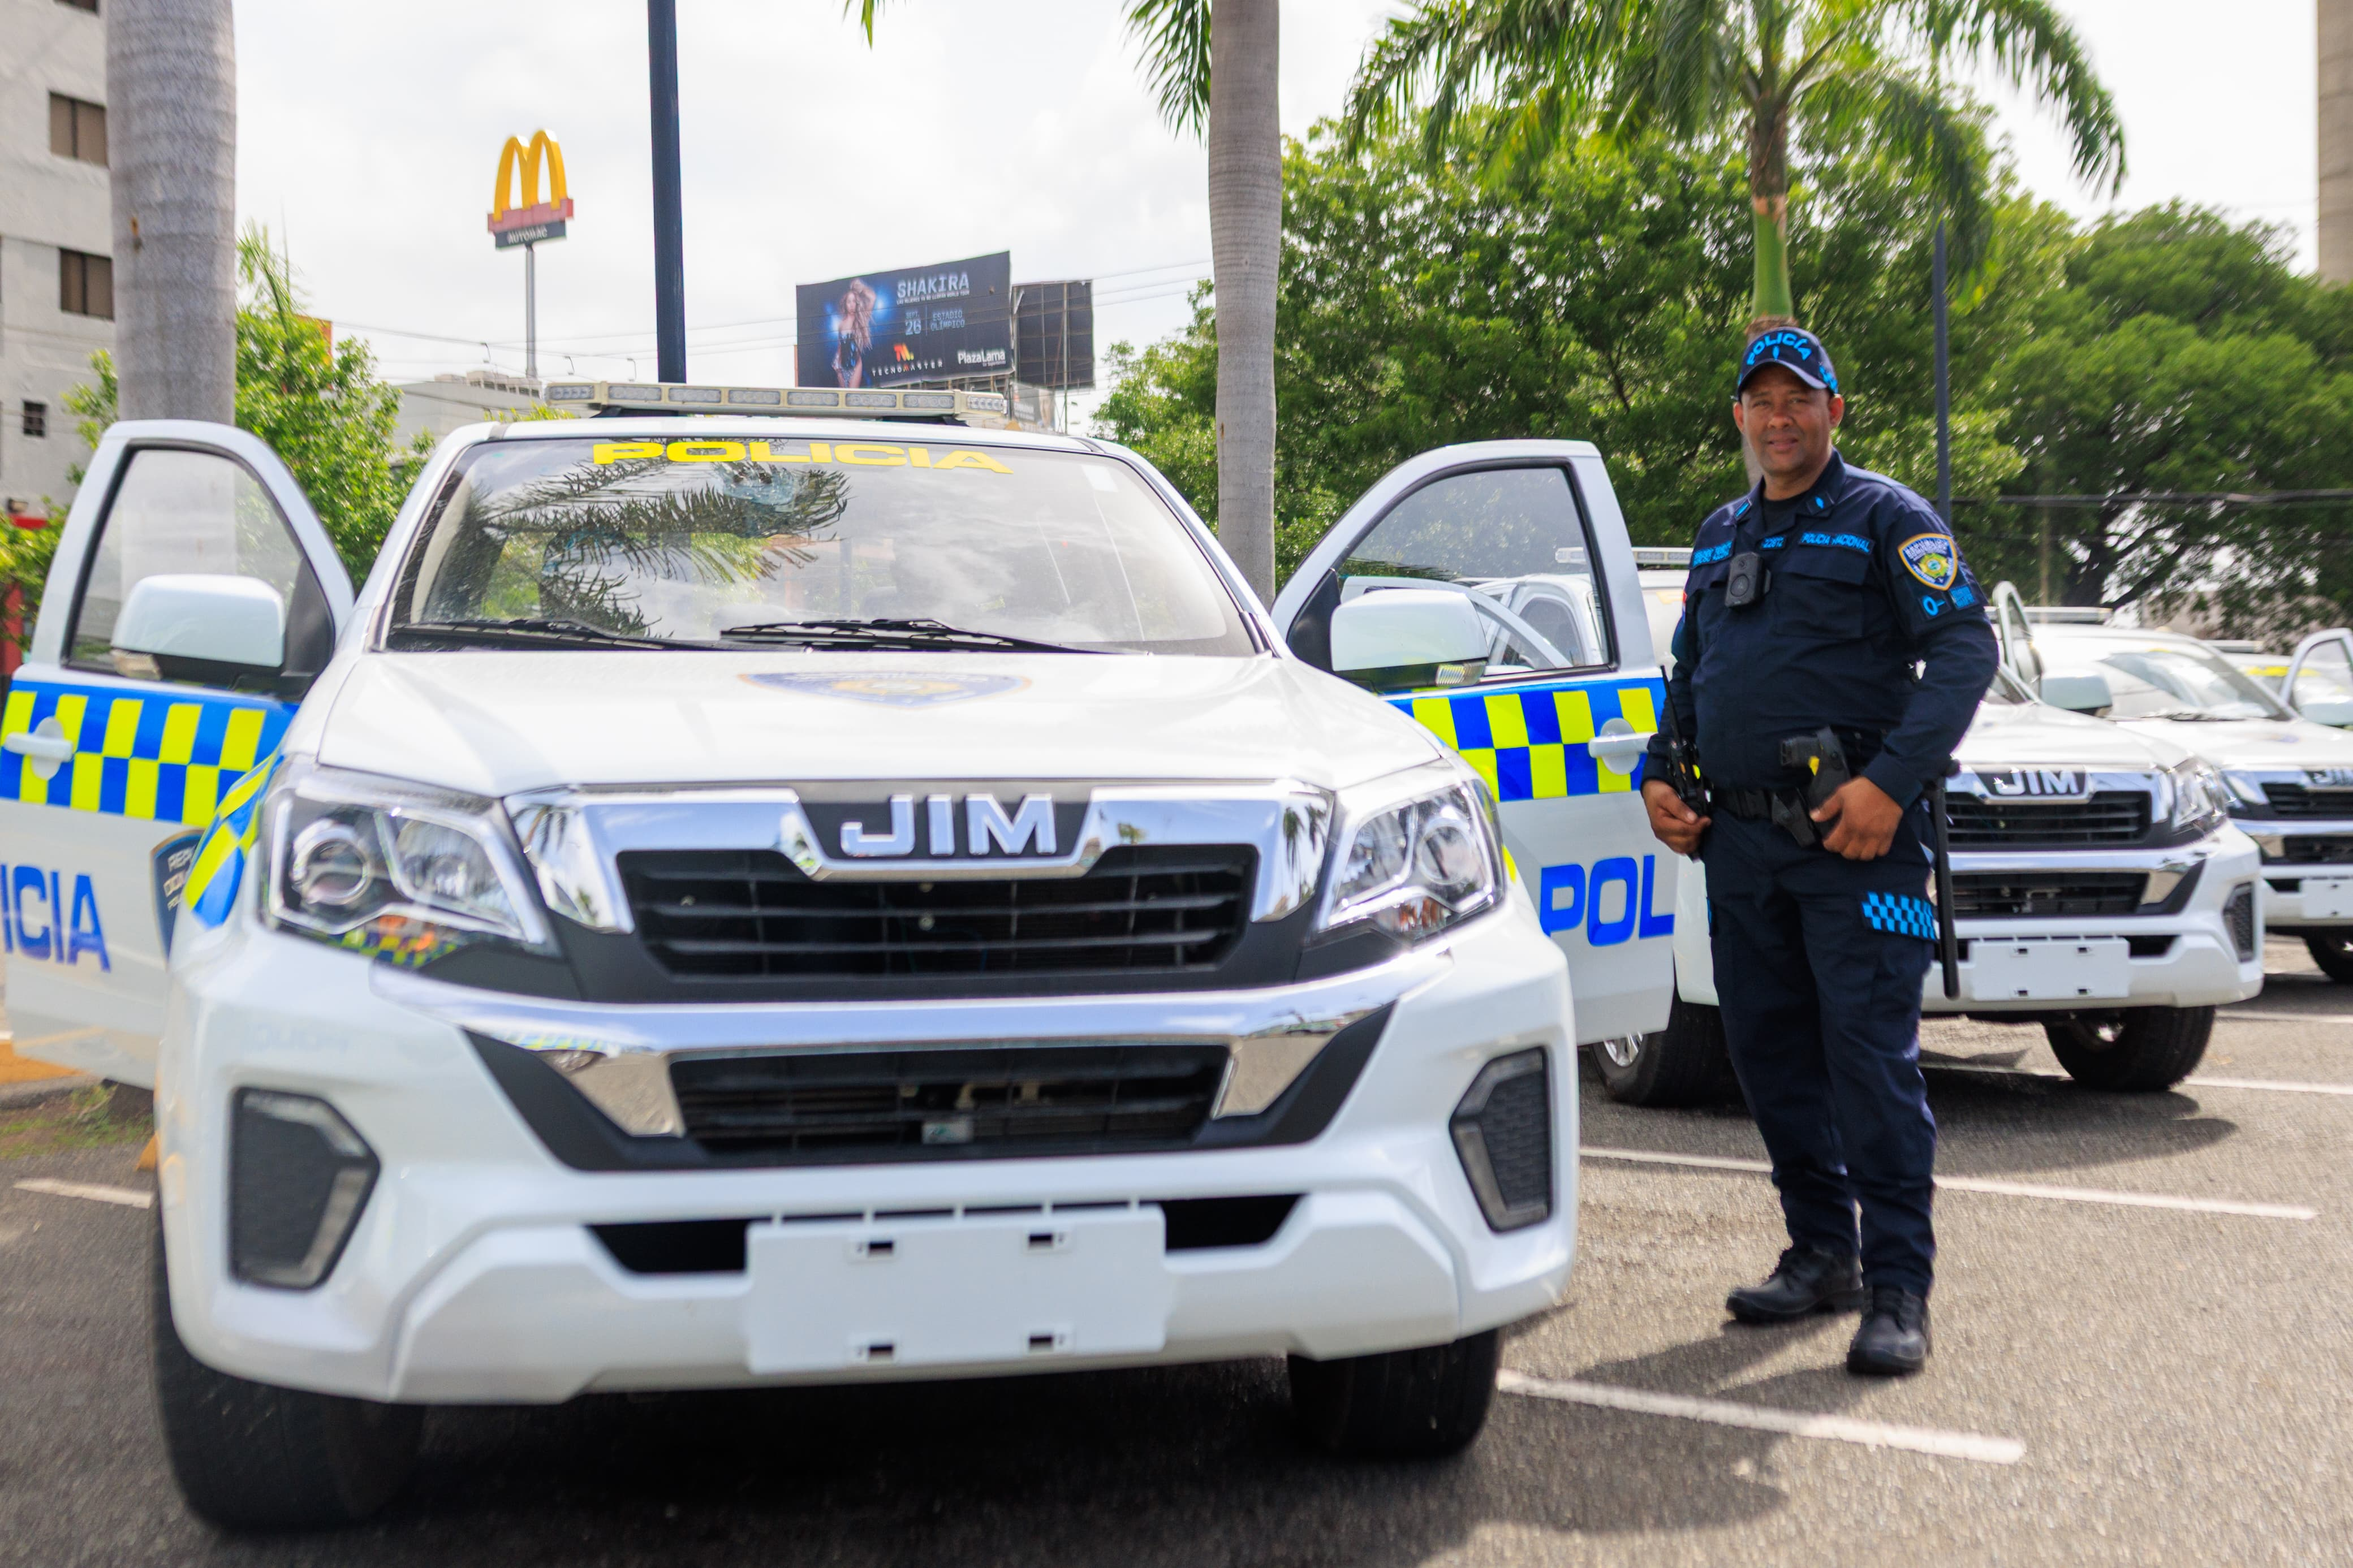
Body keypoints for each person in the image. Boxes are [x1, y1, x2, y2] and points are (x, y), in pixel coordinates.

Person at [1641, 327, 1997, 1376]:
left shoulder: (1890, 519)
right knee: (1767, 1054)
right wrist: (1662, 773)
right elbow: (1690, 675)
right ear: (1741, 419)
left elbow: (1968, 649)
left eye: (1800, 400)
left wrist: (1890, 786)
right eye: (1761, 401)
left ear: (1835, 413)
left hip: (1860, 850)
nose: (1780, 417)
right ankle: (1820, 1253)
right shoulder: (1716, 537)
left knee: (1870, 1064)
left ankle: (1898, 1289)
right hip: (1742, 852)